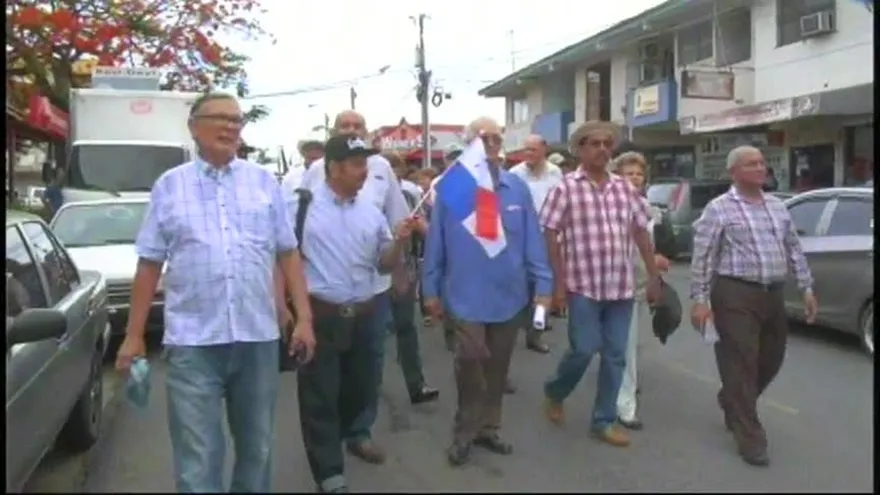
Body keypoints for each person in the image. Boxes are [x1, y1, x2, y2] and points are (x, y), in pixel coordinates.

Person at [114, 92, 316, 492]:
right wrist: (134, 335)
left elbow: (288, 253)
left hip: (256, 339)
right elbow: (150, 261)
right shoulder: (170, 186)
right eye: (219, 118)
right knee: (198, 458)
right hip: (193, 344)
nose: (229, 127)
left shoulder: (262, 182)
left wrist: (304, 319)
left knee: (256, 450)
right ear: (193, 126)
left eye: (236, 121)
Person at [422, 116, 553, 466]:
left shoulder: (516, 188)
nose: (491, 144)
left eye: (496, 138)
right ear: (469, 145)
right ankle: (464, 431)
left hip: (509, 298)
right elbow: (435, 245)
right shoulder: (452, 190)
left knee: (497, 368)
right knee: (469, 362)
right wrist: (430, 291)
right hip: (464, 297)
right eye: (483, 138)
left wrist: (544, 286)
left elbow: (533, 243)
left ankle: (488, 428)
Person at [294, 134, 418, 493]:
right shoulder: (302, 207)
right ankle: (329, 471)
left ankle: (346, 434)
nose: (364, 171)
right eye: (356, 164)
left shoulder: (369, 211)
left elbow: (383, 262)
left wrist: (400, 241)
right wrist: (290, 313)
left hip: (365, 313)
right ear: (333, 167)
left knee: (361, 390)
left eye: (366, 163)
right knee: (319, 394)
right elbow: (284, 258)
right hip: (322, 313)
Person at [690, 145, 817, 467]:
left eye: (762, 163)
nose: (760, 168)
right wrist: (700, 300)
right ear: (734, 172)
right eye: (751, 164)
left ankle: (732, 398)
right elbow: (703, 258)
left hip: (772, 293)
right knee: (741, 361)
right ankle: (750, 438)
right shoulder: (719, 209)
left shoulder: (777, 206)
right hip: (734, 293)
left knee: (772, 357)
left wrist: (806, 287)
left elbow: (793, 248)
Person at [540, 121, 661, 448]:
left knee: (616, 355)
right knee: (583, 349)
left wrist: (653, 276)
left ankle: (603, 420)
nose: (603, 149)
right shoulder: (565, 188)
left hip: (620, 286)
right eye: (594, 143)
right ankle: (556, 391)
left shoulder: (625, 188)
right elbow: (549, 233)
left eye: (607, 144)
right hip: (583, 286)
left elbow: (640, 232)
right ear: (579, 149)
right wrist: (558, 284)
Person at [610, 151, 671, 430]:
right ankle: (616, 387)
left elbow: (648, 244)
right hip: (607, 282)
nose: (634, 178)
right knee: (609, 344)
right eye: (628, 173)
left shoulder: (646, 207)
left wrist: (655, 266)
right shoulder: (608, 203)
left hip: (637, 283)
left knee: (628, 345)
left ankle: (626, 404)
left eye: (638, 174)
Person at [381, 150, 440, 404]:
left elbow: (425, 229)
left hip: (406, 265)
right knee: (375, 334)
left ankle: (416, 384)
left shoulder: (411, 193)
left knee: (407, 328)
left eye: (395, 170)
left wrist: (418, 227)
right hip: (375, 269)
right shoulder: (364, 193)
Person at [508, 135, 564, 354]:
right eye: (526, 150)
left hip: (548, 238)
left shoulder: (555, 173)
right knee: (520, 287)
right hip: (521, 238)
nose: (528, 154)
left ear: (544, 150)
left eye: (533, 150)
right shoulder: (514, 175)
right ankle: (514, 329)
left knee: (544, 287)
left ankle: (536, 334)